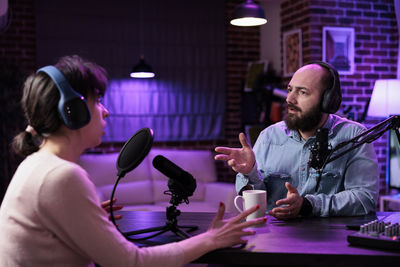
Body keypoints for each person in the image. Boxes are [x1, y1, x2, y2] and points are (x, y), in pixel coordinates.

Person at [0, 55, 266, 266]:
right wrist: (211, 239)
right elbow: (130, 262)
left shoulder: (35, 165)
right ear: (74, 112)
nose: (106, 111)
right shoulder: (61, 176)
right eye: (98, 101)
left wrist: (87, 217)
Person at [215, 61, 379, 220]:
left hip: (330, 240)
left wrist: (308, 205)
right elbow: (259, 204)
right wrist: (250, 172)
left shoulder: (354, 136)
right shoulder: (268, 137)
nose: (289, 99)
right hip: (274, 239)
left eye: (302, 92)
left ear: (328, 101)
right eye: (290, 90)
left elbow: (365, 198)